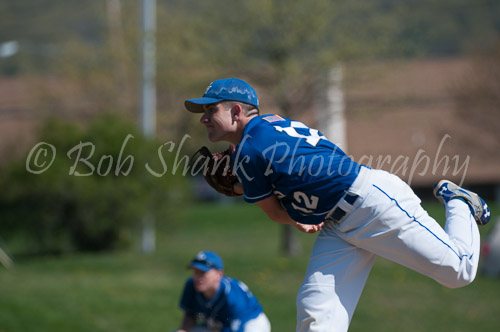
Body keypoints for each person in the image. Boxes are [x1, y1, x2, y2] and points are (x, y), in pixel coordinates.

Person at [184, 78, 492, 331]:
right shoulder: (268, 125)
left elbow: (275, 212)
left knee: (458, 270)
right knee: (317, 314)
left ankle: (458, 201)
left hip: (374, 205)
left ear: (236, 111)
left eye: (211, 109)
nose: (204, 118)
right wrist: (245, 177)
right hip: (338, 223)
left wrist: (289, 215)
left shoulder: (250, 150)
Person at [176, 251, 271, 332]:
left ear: (219, 274)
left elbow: (235, 329)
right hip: (216, 324)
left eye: (203, 272)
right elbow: (190, 315)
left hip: (250, 324)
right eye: (196, 272)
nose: (198, 277)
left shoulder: (232, 295)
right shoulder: (191, 285)